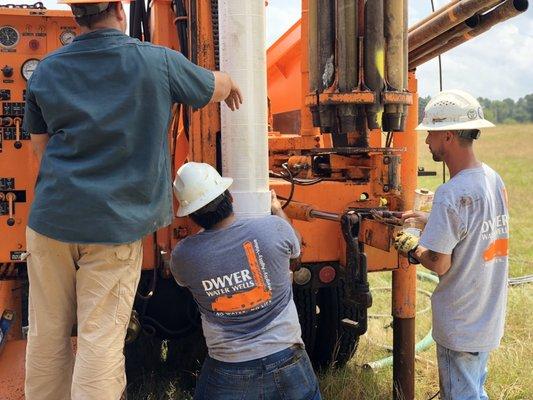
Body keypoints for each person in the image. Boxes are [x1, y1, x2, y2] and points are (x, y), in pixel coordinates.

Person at [22, 1, 242, 398]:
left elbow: (41, 148)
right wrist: (230, 82)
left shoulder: (48, 70)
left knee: (47, 333)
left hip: (50, 222)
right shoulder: (157, 61)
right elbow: (214, 86)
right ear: (120, 11)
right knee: (100, 338)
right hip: (113, 227)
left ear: (76, 17)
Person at [170, 162, 321, 400]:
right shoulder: (275, 229)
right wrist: (279, 212)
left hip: (228, 366)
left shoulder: (183, 256)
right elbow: (296, 252)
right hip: (287, 357)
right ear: (230, 197)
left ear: (191, 215)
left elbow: (185, 281)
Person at [394, 89, 509, 400]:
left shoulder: (451, 193)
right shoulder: (492, 179)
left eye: (430, 132)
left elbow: (438, 262)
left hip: (460, 319)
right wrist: (426, 219)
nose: (427, 141)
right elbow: (473, 233)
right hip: (486, 313)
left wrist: (411, 245)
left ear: (447, 135)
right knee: (474, 389)